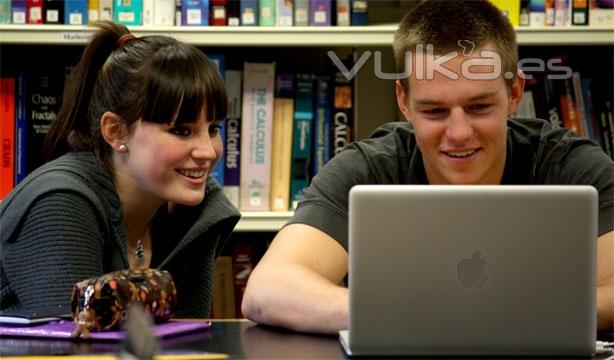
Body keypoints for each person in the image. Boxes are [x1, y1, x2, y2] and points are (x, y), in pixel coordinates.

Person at [242, 0, 614, 334]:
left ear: (514, 93)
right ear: (403, 101)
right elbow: (268, 289)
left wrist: (481, 316)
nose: (458, 133)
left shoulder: (571, 165)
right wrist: (421, 316)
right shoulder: (369, 168)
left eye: (479, 107)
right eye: (435, 111)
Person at [0, 21, 240, 318]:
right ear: (115, 132)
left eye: (213, 128)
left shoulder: (198, 212)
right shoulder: (59, 204)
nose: (208, 151)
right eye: (181, 130)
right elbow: (74, 348)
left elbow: (188, 338)